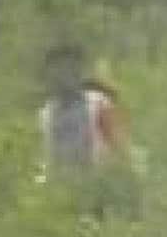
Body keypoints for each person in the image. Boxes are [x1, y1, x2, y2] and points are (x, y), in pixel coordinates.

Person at [37, 41, 131, 177]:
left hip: (96, 182)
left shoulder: (98, 103)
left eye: (70, 69)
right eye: (59, 70)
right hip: (62, 186)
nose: (64, 76)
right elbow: (47, 155)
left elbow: (120, 146)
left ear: (80, 71)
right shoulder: (46, 113)